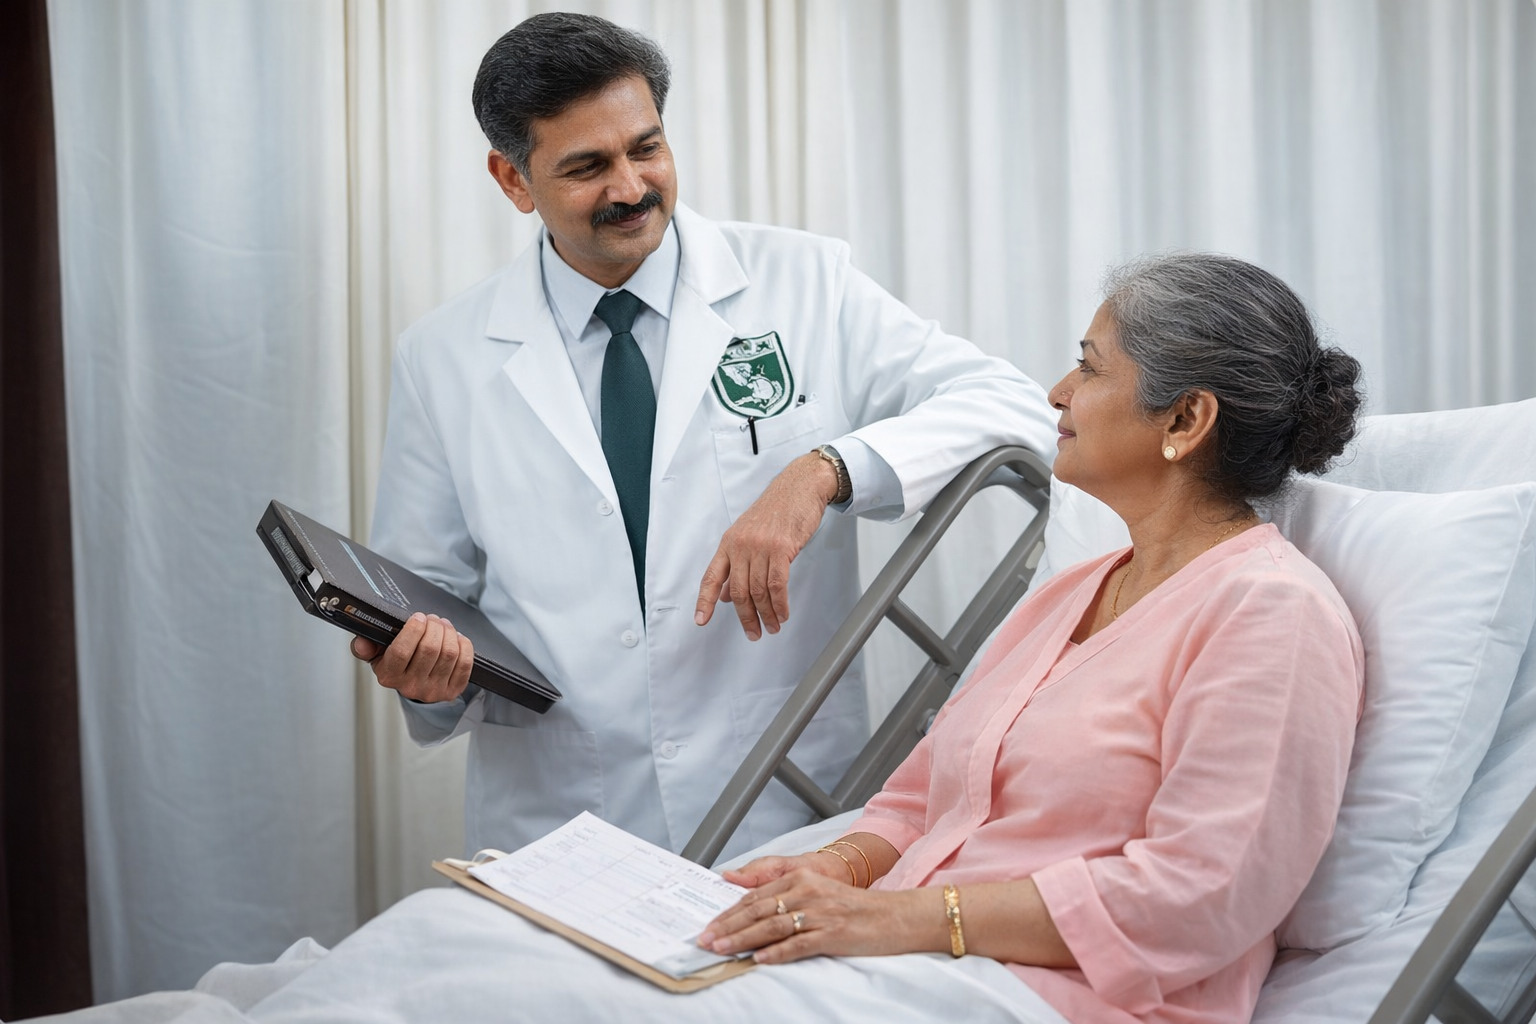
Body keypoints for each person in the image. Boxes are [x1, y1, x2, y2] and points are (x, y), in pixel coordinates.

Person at [350, 12, 1058, 859]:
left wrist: (823, 470)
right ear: (513, 179)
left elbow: (1012, 403)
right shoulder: (443, 357)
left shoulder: (804, 283)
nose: (630, 187)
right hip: (562, 820)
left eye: (645, 148)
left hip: (779, 800)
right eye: (586, 167)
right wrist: (428, 676)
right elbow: (423, 595)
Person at [687, 252, 1367, 1023]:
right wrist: (828, 869)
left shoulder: (1273, 614)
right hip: (916, 968)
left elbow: (1199, 895)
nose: (1058, 393)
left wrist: (897, 920)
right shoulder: (1076, 592)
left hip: (1062, 997)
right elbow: (918, 803)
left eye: (1089, 368)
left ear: (1184, 420)